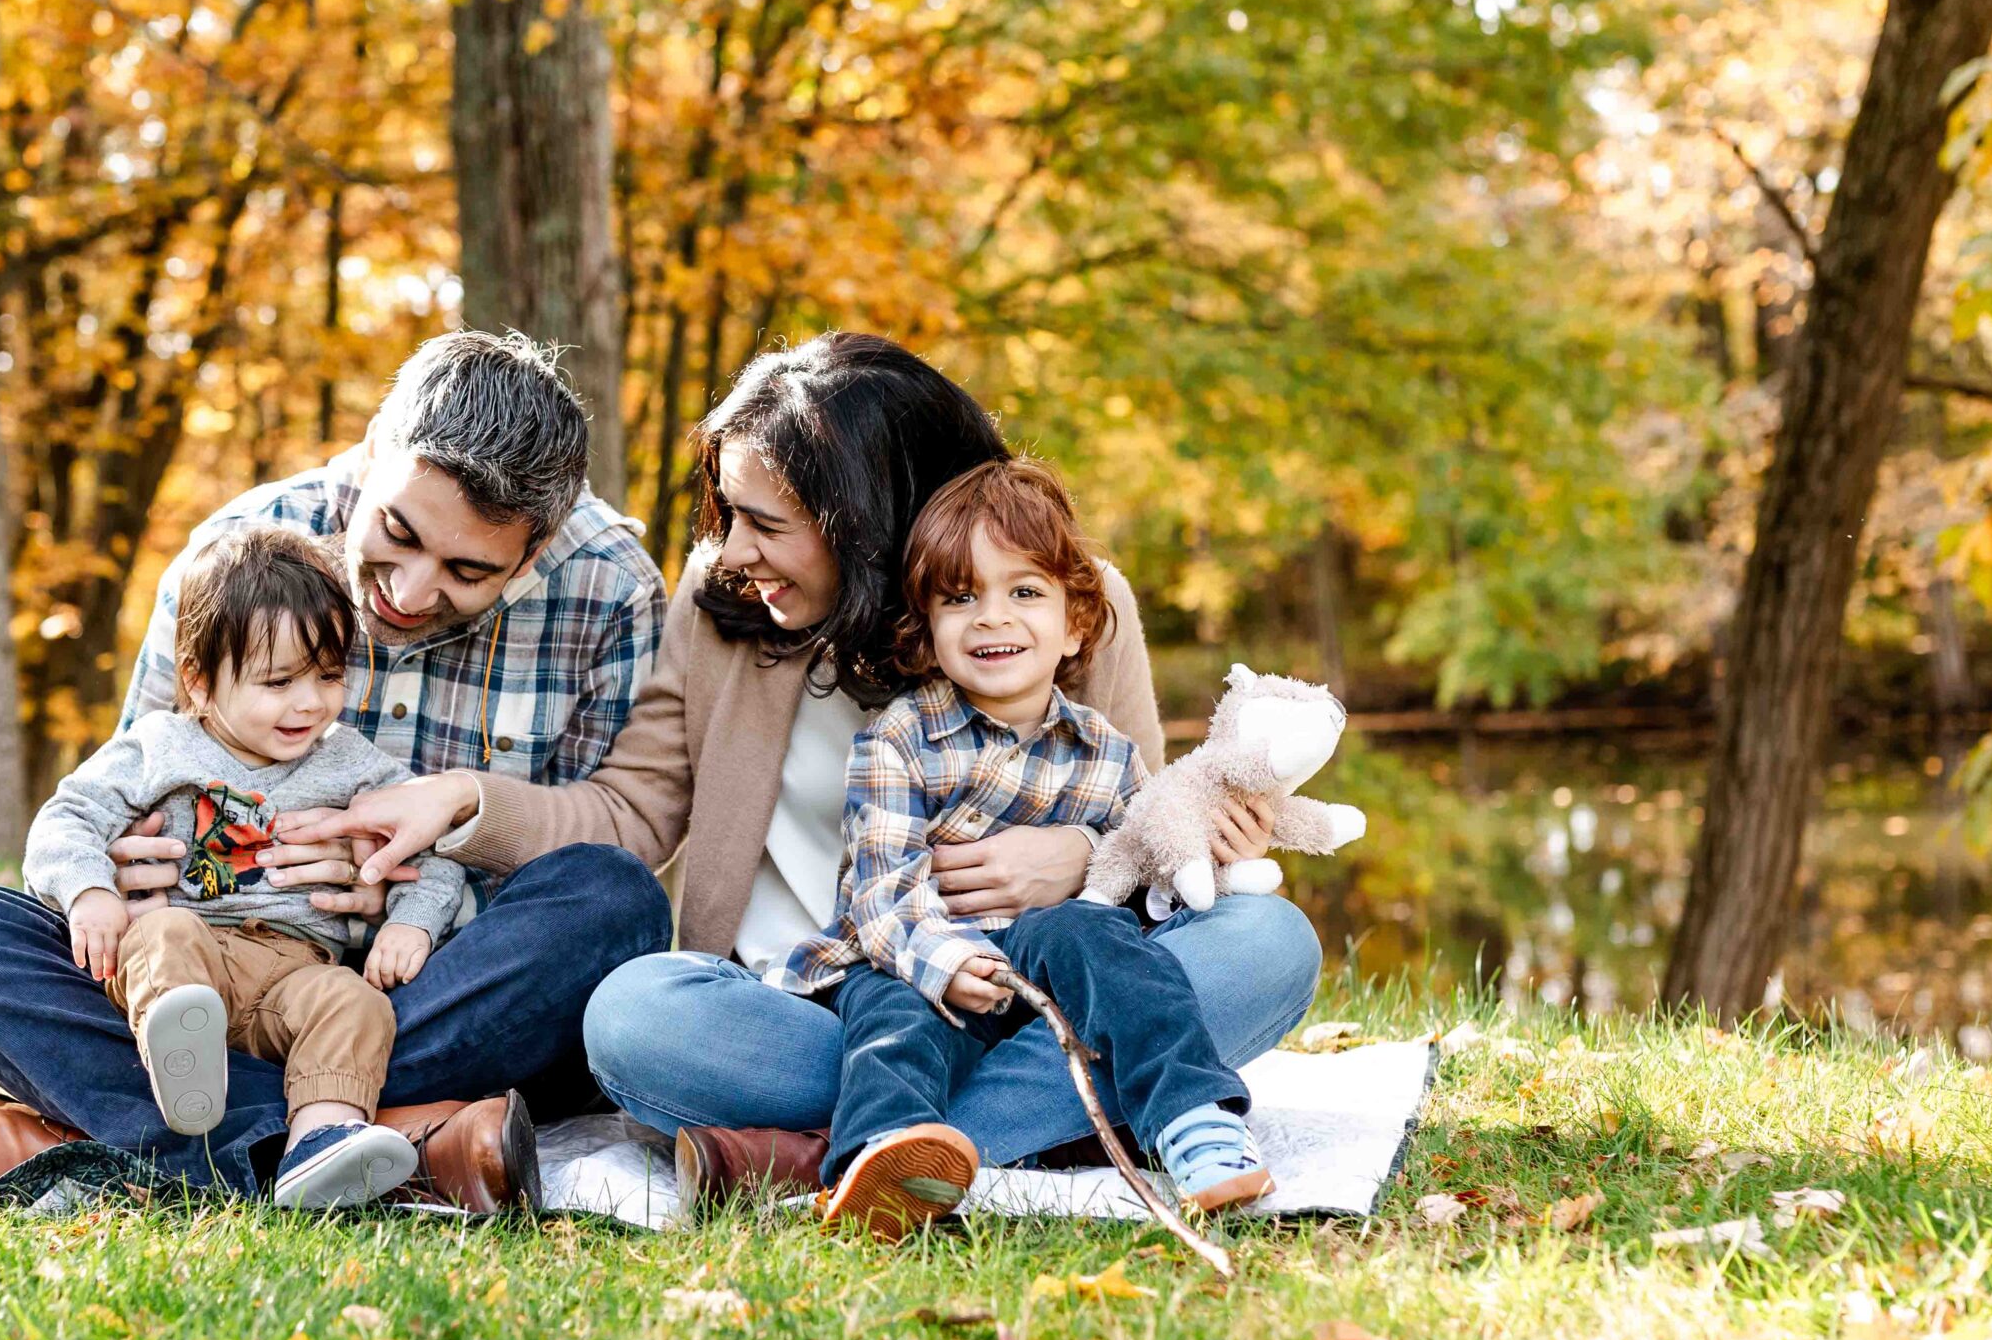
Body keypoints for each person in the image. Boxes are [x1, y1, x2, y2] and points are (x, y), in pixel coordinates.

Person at [294, 332, 1320, 1213]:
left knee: (1268, 944)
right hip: (799, 1009)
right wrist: (461, 805)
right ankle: (1004, 1127)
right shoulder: (722, 611)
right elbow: (630, 811)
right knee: (632, 1016)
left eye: (765, 524)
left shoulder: (1061, 604)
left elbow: (1135, 828)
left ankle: (833, 1155)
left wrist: (1080, 854)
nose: (731, 549)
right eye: (728, 514)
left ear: (863, 524)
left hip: (1025, 989)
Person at [0, 331, 671, 1209]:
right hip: (190, 970)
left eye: (466, 569)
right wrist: (115, 877)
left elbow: (609, 823)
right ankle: (387, 1141)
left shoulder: (609, 589)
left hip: (422, 994)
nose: (405, 594)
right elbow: (129, 794)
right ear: (372, 450)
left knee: (614, 900)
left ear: (534, 549)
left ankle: (179, 1138)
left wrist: (406, 882)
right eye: (396, 534)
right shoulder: (236, 553)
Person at [793, 461, 1270, 1241]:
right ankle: (884, 1158)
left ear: (1076, 621)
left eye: (1024, 592)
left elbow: (1144, 876)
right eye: (960, 597)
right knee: (890, 1011)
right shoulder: (897, 739)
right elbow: (880, 895)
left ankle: (1194, 1120)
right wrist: (945, 960)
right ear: (926, 628)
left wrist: (1212, 854)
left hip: (1056, 984)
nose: (991, 618)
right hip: (931, 969)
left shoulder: (1110, 754)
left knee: (1100, 939)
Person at [23, 526, 466, 1209]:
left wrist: (412, 924)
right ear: (198, 682)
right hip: (185, 950)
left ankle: (321, 1142)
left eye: (327, 675)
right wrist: (88, 892)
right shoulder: (160, 745)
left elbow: (429, 849)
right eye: (278, 681)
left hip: (294, 969)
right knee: (162, 935)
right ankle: (182, 1060)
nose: (309, 702)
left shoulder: (350, 762)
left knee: (357, 1002)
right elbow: (66, 817)